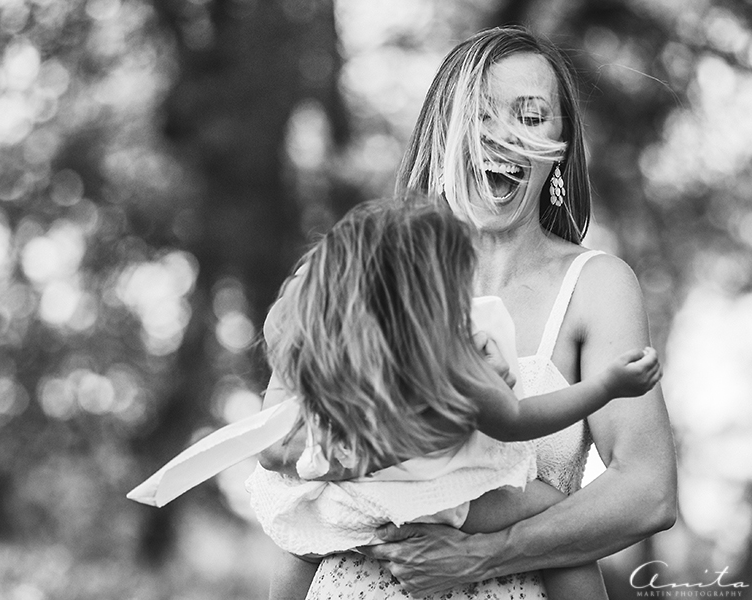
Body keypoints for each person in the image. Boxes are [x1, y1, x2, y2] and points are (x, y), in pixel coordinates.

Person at [259, 26, 677, 599]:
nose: (503, 135)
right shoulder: (366, 271)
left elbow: (649, 492)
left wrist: (481, 555)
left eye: (531, 116)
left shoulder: (595, 286)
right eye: (481, 114)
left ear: (560, 146)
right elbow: (285, 461)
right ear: (443, 133)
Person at [247, 199, 661, 600]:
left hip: (353, 504)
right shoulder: (453, 365)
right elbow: (519, 419)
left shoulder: (348, 367)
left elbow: (283, 360)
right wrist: (605, 387)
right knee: (554, 515)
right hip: (443, 498)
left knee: (300, 534)